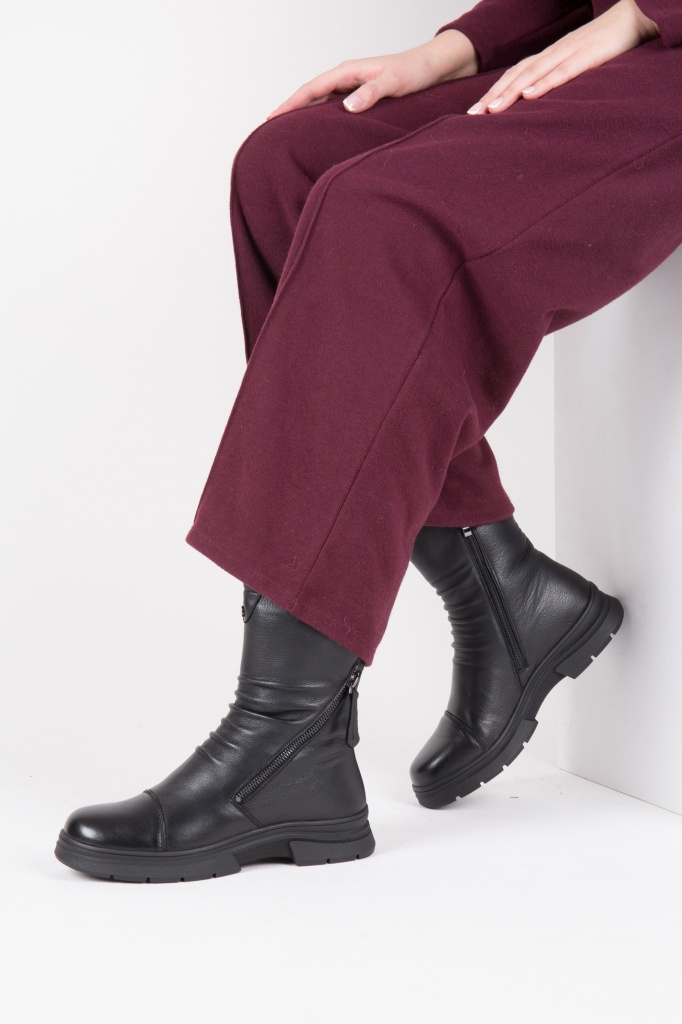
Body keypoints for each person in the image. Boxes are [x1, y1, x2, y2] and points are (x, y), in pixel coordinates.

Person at [55, 0, 681, 882]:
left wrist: (645, 18)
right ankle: (499, 586)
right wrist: (458, 48)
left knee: (382, 213)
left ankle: (287, 737)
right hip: (630, 37)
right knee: (288, 163)